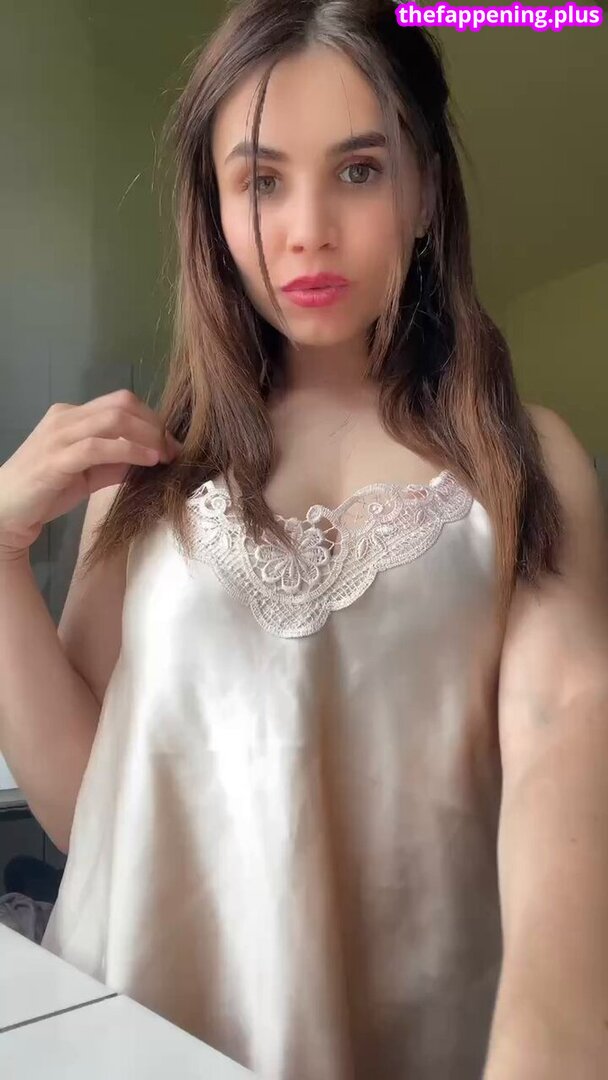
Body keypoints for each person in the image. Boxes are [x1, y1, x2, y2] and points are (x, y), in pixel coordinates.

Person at [0, 2, 607, 1077]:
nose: (307, 229)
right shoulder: (145, 472)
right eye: (262, 180)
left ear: (425, 190)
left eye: (358, 171)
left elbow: (565, 735)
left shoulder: (524, 464)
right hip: (138, 1037)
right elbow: (89, 807)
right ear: (214, 207)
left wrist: (550, 1048)